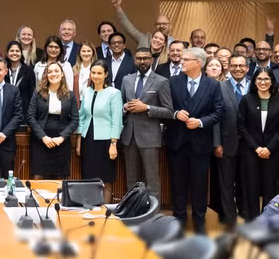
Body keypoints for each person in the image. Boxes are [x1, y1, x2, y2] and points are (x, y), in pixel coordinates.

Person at [167, 47, 224, 234]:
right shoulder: (173, 82)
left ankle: (200, 224)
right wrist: (175, 114)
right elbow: (165, 108)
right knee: (177, 185)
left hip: (201, 145)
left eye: (185, 59)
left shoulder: (213, 86)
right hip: (177, 143)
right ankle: (178, 223)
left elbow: (218, 112)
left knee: (200, 187)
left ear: (198, 63)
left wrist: (200, 122)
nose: (181, 62)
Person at [120, 48, 173, 201]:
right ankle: (132, 211)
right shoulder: (126, 79)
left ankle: (152, 215)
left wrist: (147, 107)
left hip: (150, 137)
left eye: (145, 58)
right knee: (131, 180)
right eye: (139, 58)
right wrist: (125, 107)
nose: (142, 61)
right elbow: (120, 104)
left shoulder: (161, 81)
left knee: (152, 180)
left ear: (151, 60)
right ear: (134, 60)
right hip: (129, 136)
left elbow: (169, 111)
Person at [238, 68, 279, 221]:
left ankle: (269, 222)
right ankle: (252, 223)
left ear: (272, 81)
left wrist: (269, 148)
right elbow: (241, 127)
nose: (263, 82)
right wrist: (257, 148)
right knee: (251, 188)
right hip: (250, 151)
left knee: (271, 188)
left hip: (273, 152)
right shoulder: (246, 99)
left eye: (266, 79)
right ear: (254, 81)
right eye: (259, 79)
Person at [77, 60, 122, 196]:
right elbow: (82, 116)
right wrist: (79, 139)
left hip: (106, 139)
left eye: (99, 73)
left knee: (105, 177)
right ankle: (89, 207)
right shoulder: (87, 91)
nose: (95, 76)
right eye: (93, 72)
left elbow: (117, 120)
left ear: (106, 74)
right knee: (88, 176)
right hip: (88, 137)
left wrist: (113, 143)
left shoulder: (114, 93)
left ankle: (104, 211)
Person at [214, 54, 249, 228]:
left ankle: (245, 211)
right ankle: (229, 217)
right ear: (229, 67)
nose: (237, 68)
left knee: (246, 180)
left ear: (247, 68)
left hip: (251, 144)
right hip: (226, 142)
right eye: (234, 65)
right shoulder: (220, 87)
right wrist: (216, 142)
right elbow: (215, 117)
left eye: (241, 65)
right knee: (226, 182)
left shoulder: (256, 85)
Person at [27, 62, 78, 179]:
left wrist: (62, 138)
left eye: (56, 71)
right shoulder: (38, 93)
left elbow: (75, 120)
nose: (53, 74)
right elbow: (30, 117)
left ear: (62, 75)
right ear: (46, 75)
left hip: (61, 142)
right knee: (38, 179)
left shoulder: (70, 95)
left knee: (60, 182)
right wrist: (43, 137)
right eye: (49, 72)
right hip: (40, 141)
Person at [5, 41, 36, 114]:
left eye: (17, 51)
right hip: (5, 111)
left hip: (23, 111)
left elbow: (32, 94)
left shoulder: (28, 70)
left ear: (21, 53)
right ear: (7, 53)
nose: (14, 53)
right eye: (12, 51)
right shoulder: (3, 69)